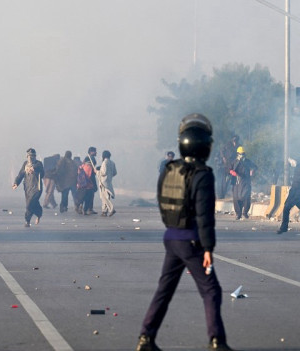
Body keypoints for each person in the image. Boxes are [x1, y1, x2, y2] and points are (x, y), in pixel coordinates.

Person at [136, 113, 234, 351]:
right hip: (191, 241)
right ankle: (217, 341)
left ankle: (146, 338)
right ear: (204, 146)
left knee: (164, 290)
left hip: (171, 237)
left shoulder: (170, 170)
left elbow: (163, 202)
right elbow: (204, 215)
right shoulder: (202, 174)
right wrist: (208, 248)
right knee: (211, 290)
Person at [12, 148, 44, 227]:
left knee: (29, 204)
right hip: (27, 187)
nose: (30, 158)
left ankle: (27, 220)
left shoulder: (38, 163)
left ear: (35, 156)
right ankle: (38, 214)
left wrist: (34, 169)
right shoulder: (25, 164)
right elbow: (20, 174)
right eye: (29, 156)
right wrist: (16, 183)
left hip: (37, 188)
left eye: (32, 156)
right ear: (27, 156)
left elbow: (42, 172)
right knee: (33, 203)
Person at [229, 146, 257, 220]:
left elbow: (255, 167)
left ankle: (245, 212)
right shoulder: (234, 162)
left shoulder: (247, 161)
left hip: (246, 181)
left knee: (246, 196)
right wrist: (232, 172)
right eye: (240, 154)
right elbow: (229, 169)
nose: (241, 155)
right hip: (236, 182)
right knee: (236, 198)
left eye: (243, 153)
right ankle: (238, 214)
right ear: (237, 154)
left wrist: (252, 171)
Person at [277, 157, 299, 234]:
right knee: (286, 207)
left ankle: (284, 227)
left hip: (297, 190)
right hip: (294, 189)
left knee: (287, 207)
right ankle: (284, 227)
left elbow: (295, 162)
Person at [97, 150, 117, 217]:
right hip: (109, 182)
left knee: (104, 198)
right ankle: (104, 211)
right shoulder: (112, 163)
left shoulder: (104, 163)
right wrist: (109, 176)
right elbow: (114, 173)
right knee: (105, 197)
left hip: (103, 182)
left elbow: (103, 173)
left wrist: (97, 171)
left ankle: (111, 209)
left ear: (103, 155)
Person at [84, 147, 98, 215]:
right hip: (90, 179)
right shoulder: (91, 158)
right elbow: (91, 170)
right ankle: (89, 209)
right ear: (91, 152)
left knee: (86, 194)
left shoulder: (86, 158)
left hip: (85, 179)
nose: (96, 153)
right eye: (95, 151)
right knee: (90, 194)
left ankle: (84, 208)